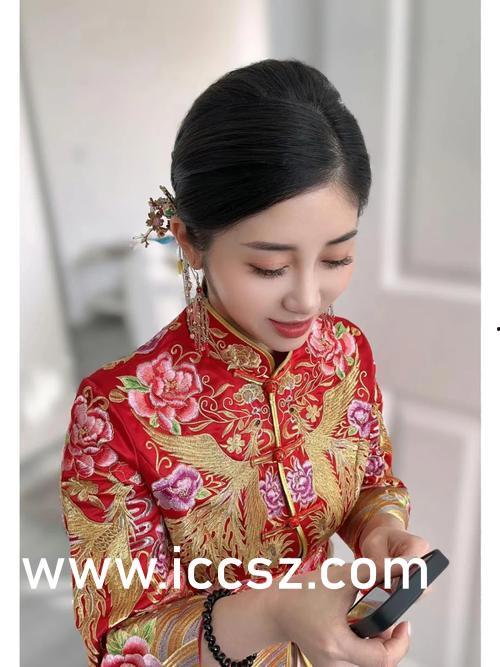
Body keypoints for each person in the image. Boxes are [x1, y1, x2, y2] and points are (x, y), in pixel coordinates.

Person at [60, 58, 430, 667]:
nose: (307, 299)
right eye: (269, 267)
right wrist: (275, 612)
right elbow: (118, 645)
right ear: (189, 241)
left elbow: (372, 481)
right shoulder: (114, 411)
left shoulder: (345, 352)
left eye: (336, 259)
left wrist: (381, 531)